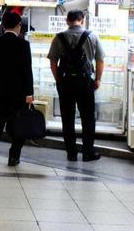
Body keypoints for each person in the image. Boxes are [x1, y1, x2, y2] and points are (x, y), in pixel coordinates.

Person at [48, 9, 104, 162]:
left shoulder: (59, 38)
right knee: (88, 118)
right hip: (85, 83)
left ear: (67, 21)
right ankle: (88, 153)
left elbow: (53, 62)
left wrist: (59, 79)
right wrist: (97, 79)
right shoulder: (92, 36)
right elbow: (100, 60)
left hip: (65, 83)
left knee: (67, 118)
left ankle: (71, 153)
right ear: (83, 20)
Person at [0, 12, 34, 167]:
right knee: (18, 124)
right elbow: (27, 70)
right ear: (18, 26)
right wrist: (29, 93)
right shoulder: (23, 45)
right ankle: (14, 157)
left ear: (2, 26)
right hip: (19, 93)